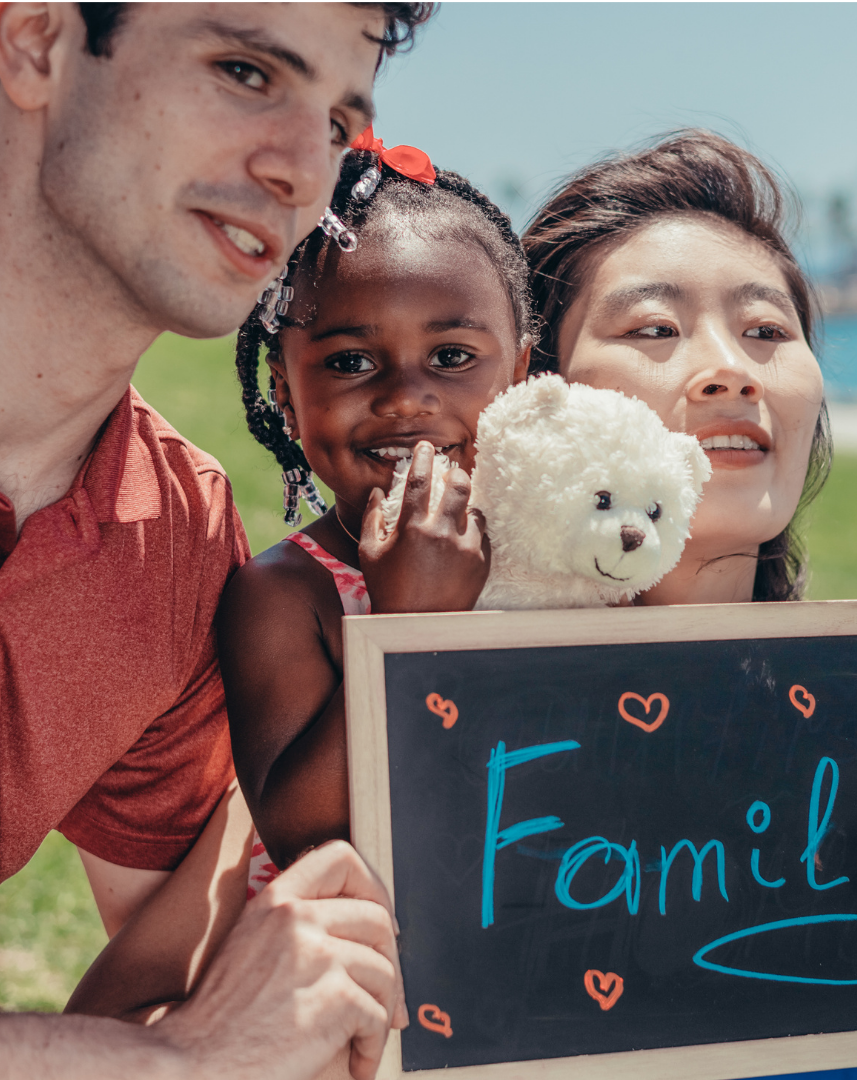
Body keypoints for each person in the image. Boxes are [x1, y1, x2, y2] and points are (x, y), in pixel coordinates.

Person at [0, 3, 433, 1076]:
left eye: (337, 123)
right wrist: (176, 1060)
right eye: (243, 72)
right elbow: (192, 1041)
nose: (298, 172)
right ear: (38, 39)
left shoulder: (174, 534)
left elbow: (203, 979)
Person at [521, 129, 857, 1080]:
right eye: (653, 329)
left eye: (767, 331)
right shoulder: (426, 720)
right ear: (540, 392)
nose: (732, 370)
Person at [61, 136, 535, 1027]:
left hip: (530, 965)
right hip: (347, 997)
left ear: (524, 371)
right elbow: (302, 834)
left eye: (454, 357)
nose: (405, 397)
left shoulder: (555, 571)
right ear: (284, 390)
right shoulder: (287, 593)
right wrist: (404, 629)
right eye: (350, 362)